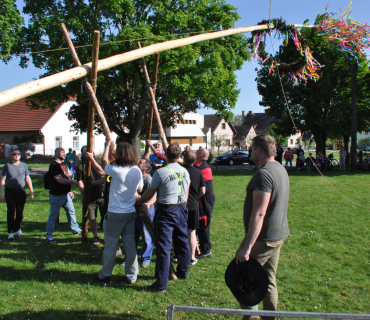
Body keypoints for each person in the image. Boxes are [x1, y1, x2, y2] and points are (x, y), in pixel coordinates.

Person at [235, 135, 289, 320]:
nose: (250, 153)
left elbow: (259, 213)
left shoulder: (264, 174)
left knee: (244, 278)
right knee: (268, 279)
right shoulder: (280, 168)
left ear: (259, 151)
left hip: (264, 238)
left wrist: (247, 247)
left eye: (251, 149)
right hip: (277, 235)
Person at [137, 142, 191, 292]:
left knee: (163, 246)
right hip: (182, 208)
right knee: (182, 241)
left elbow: (150, 192)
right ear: (179, 156)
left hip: (167, 210)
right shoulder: (185, 171)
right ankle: (183, 271)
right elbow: (187, 191)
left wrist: (140, 200)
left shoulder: (161, 173)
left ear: (165, 156)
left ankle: (161, 283)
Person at [88, 139, 143, 284]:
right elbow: (140, 189)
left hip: (115, 213)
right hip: (130, 213)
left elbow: (104, 163)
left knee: (111, 245)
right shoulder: (137, 170)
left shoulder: (117, 170)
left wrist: (106, 147)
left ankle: (105, 275)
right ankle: (132, 276)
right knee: (130, 245)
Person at [45, 148, 82, 243]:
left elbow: (69, 174)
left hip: (66, 194)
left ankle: (76, 229)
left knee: (71, 212)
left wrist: (69, 190)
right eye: (62, 152)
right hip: (56, 195)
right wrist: (73, 183)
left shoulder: (63, 164)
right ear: (57, 153)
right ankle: (49, 236)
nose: (64, 154)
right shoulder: (54, 165)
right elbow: (60, 179)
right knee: (53, 216)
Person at [1, 149, 34, 240]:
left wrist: (31, 190)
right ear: (11, 156)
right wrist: (2, 194)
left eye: (18, 154)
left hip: (21, 191)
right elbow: (2, 180)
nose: (16, 155)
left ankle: (18, 230)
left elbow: (27, 178)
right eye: (14, 154)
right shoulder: (7, 166)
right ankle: (10, 232)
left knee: (20, 211)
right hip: (10, 191)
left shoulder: (24, 165)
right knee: (11, 211)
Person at [76, 146, 105, 245]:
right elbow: (80, 181)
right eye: (88, 152)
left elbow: (103, 172)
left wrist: (92, 159)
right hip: (90, 195)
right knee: (92, 217)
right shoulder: (81, 166)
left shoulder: (98, 160)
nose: (90, 153)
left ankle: (107, 236)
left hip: (102, 193)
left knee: (106, 216)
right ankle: (96, 236)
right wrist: (83, 193)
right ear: (84, 154)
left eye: (92, 151)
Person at [182, 151, 206, 265]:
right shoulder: (198, 172)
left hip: (181, 205)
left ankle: (177, 255)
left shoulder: (180, 170)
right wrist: (196, 197)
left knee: (178, 231)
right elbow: (203, 191)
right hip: (194, 205)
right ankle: (192, 257)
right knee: (192, 232)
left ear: (184, 159)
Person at [135, 158, 157, 268]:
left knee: (146, 235)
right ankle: (131, 258)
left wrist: (148, 204)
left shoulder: (148, 179)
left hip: (146, 210)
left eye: (140, 162)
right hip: (135, 209)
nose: (137, 163)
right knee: (133, 235)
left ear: (146, 168)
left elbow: (154, 195)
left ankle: (146, 258)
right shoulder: (136, 177)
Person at [195, 148, 215, 259]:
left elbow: (188, 167)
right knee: (200, 221)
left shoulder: (202, 166)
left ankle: (206, 250)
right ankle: (199, 244)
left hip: (205, 198)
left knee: (204, 222)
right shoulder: (201, 164)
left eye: (197, 152)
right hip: (204, 197)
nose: (195, 152)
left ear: (201, 155)